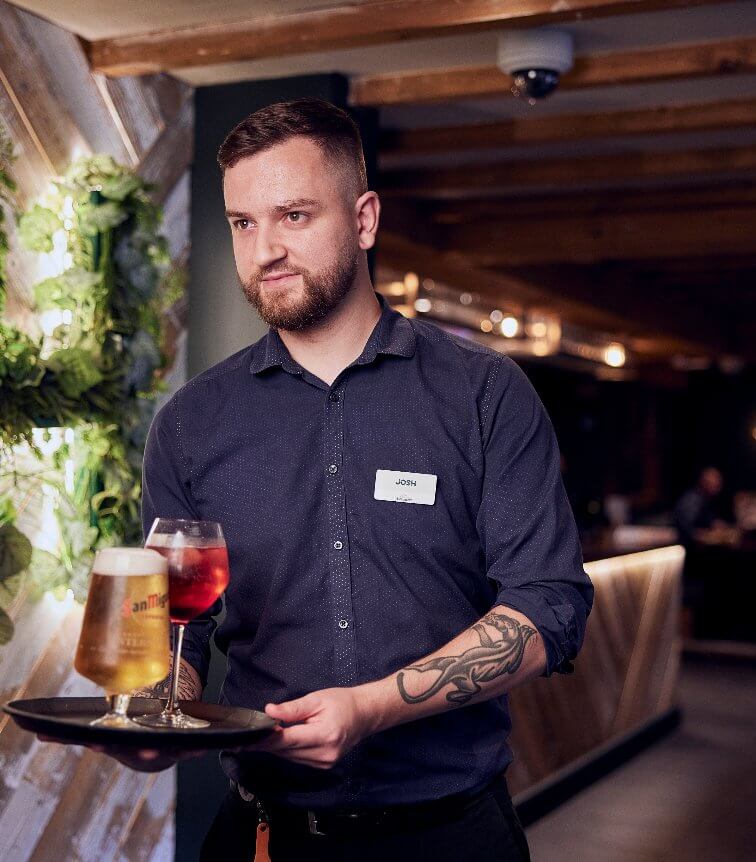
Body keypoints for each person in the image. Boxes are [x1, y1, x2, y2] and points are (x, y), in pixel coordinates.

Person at [86, 99, 595, 861]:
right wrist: (155, 715)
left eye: (293, 215)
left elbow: (550, 603)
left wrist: (373, 708)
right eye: (243, 223)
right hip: (264, 835)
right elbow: (174, 625)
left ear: (364, 219)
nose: (265, 250)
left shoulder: (483, 392)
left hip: (451, 837)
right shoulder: (190, 423)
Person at [672, 466, 727, 546]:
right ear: (703, 482)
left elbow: (709, 521)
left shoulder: (705, 500)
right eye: (714, 483)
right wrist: (708, 535)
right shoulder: (691, 501)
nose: (718, 487)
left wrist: (716, 525)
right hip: (687, 546)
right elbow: (686, 530)